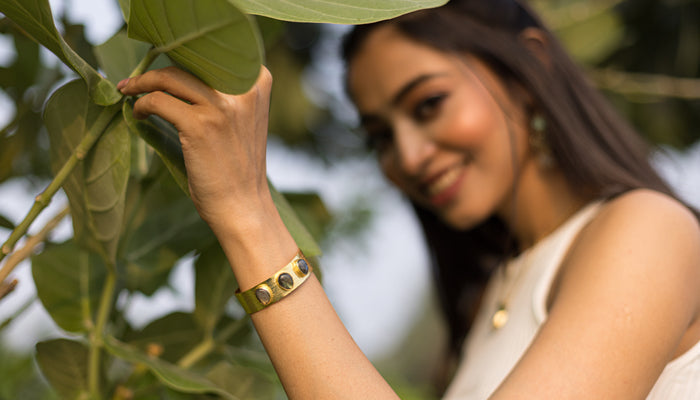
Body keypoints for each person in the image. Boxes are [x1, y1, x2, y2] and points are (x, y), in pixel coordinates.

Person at [116, 0, 700, 398]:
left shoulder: (647, 230)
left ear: (529, 69)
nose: (410, 155)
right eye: (381, 136)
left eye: (428, 104)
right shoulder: (488, 298)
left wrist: (248, 214)